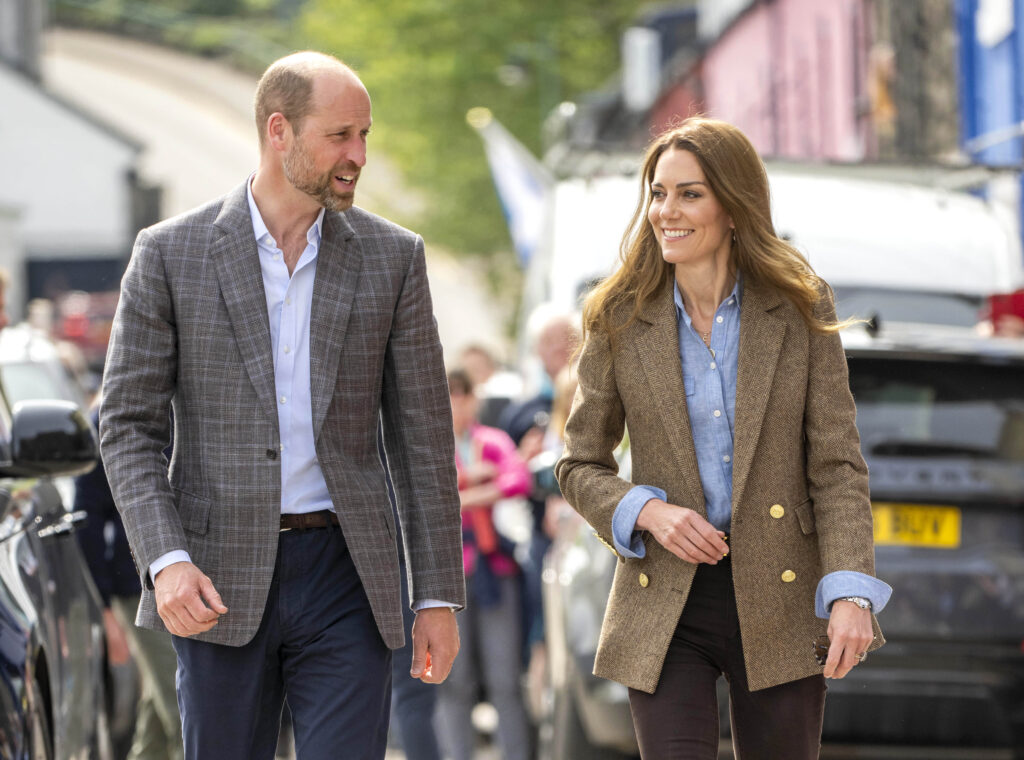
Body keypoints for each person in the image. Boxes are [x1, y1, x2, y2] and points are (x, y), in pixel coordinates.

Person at [99, 51, 465, 760]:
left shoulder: (394, 259)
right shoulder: (170, 255)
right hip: (214, 578)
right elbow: (126, 427)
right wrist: (166, 558)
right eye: (339, 136)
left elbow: (422, 439)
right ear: (279, 131)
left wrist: (437, 596)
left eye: (364, 135)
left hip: (347, 574)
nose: (358, 155)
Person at [555, 117, 892, 760]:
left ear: (734, 206)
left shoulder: (798, 306)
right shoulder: (620, 315)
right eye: (658, 193)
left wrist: (850, 589)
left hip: (783, 595)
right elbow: (579, 465)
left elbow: (836, 465)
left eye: (689, 194)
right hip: (666, 603)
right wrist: (646, 511)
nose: (666, 211)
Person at [75, 402, 184, 760]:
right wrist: (105, 612)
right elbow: (85, 523)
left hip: (195, 580)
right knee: (183, 708)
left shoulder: (188, 401)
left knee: (163, 697)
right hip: (139, 586)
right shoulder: (111, 418)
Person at [436, 368, 532, 760]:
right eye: (450, 395)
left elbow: (518, 479)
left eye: (464, 394)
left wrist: (464, 492)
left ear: (474, 398)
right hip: (447, 574)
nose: (458, 402)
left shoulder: (492, 440)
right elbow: (432, 495)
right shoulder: (433, 443)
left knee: (505, 678)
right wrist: (476, 479)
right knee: (453, 681)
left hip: (494, 571)